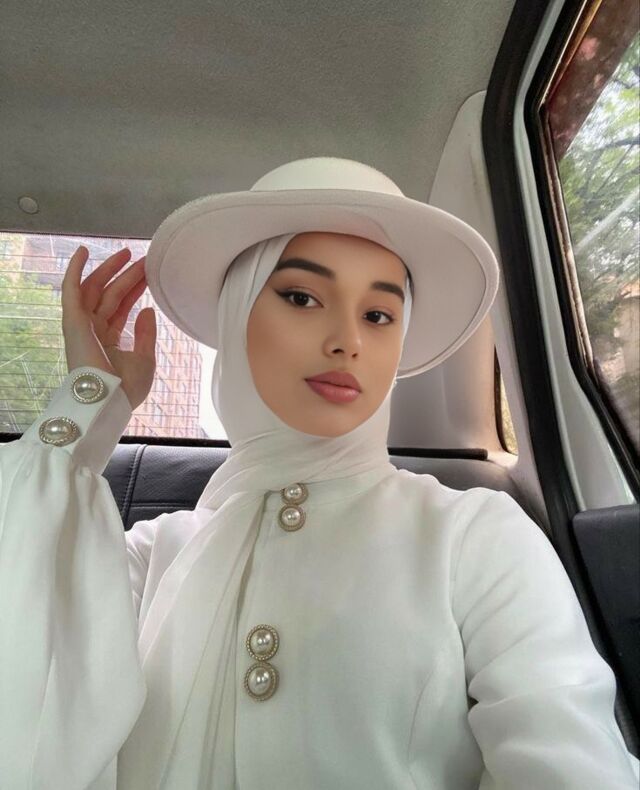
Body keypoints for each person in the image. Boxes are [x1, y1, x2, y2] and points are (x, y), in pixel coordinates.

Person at [0, 157, 638, 789]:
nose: (347, 340)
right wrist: (87, 403)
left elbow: (570, 761)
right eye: (302, 297)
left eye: (379, 315)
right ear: (236, 316)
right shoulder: (150, 555)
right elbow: (26, 665)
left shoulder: (476, 536)